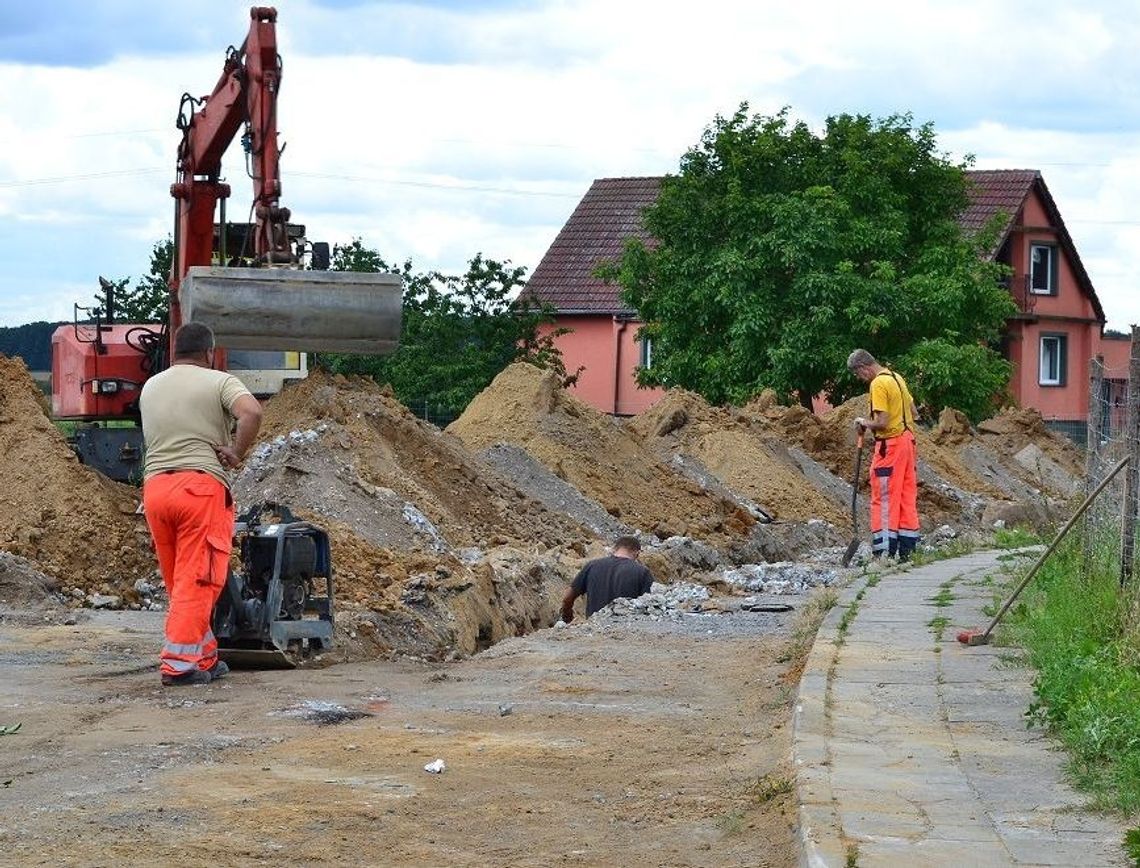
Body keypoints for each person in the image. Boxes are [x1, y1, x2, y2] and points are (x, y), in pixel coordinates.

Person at [140, 322, 263, 686]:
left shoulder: (151, 386)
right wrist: (236, 452)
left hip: (156, 490)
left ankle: (204, 656)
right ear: (209, 352)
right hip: (199, 488)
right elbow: (251, 413)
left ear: (174, 351)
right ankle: (178, 665)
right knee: (200, 578)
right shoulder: (218, 381)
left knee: (181, 580)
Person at [847, 348, 920, 561]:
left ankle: (884, 552)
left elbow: (882, 422)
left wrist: (863, 423)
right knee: (906, 496)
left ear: (863, 367)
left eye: (857, 373)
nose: (859, 378)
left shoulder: (878, 383)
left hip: (890, 446)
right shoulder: (897, 378)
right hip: (908, 443)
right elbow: (914, 412)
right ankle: (908, 551)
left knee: (885, 497)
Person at [561, 536, 655, 622]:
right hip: (626, 632)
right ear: (637, 553)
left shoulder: (592, 566)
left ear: (614, 549)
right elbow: (651, 608)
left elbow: (567, 598)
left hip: (594, 630)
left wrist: (567, 617)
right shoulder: (642, 572)